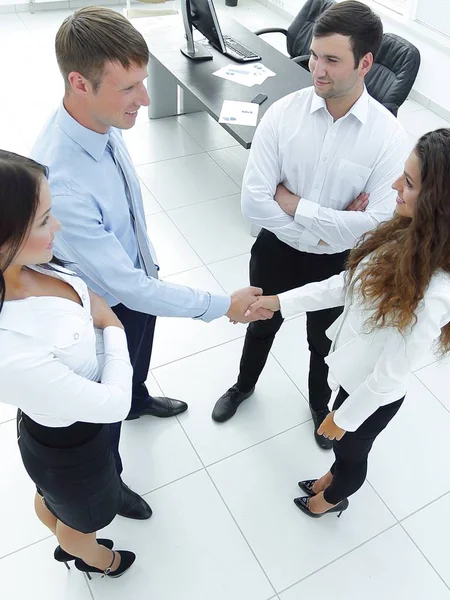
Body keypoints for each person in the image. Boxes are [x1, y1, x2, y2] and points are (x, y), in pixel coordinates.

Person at [30, 7, 271, 520]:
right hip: (106, 307)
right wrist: (219, 305)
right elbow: (127, 289)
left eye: (143, 83)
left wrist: (150, 264)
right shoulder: (64, 179)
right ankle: (111, 480)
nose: (144, 99)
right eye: (130, 88)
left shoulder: (100, 119)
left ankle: (137, 396)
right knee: (107, 407)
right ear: (79, 83)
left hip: (137, 283)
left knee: (137, 363)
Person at [247, 128, 450, 517]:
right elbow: (345, 286)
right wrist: (278, 301)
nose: (394, 186)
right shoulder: (407, 235)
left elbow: (390, 375)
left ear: (442, 202)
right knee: (341, 446)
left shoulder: (437, 291)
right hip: (355, 377)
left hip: (372, 396)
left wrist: (345, 416)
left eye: (408, 182)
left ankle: (330, 501)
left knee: (351, 453)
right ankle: (330, 479)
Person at [211, 0, 409, 450]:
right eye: (315, 56)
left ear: (365, 63)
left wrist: (295, 205)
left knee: (324, 341)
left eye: (331, 60)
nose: (316, 69)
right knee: (260, 321)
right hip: (276, 252)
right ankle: (243, 385)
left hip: (338, 266)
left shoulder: (388, 137)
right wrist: (334, 222)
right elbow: (253, 204)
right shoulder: (283, 114)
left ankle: (320, 403)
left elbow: (375, 228)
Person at [0, 150, 136, 577]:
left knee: (55, 500)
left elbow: (84, 298)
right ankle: (99, 560)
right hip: (68, 446)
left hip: (59, 429)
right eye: (42, 220)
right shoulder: (11, 347)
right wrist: (114, 327)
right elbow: (115, 404)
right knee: (85, 521)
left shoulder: (26, 266)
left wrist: (93, 306)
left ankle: (68, 532)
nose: (56, 226)